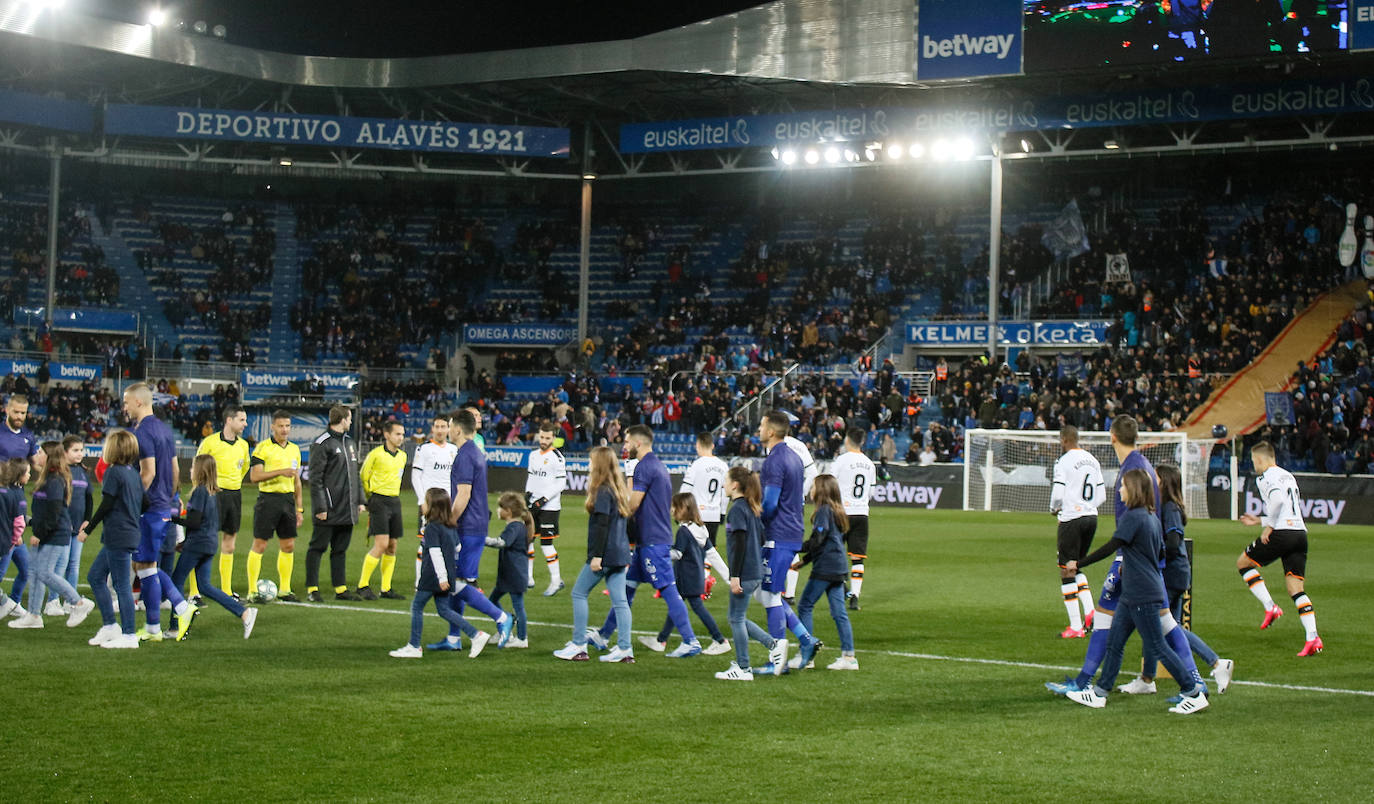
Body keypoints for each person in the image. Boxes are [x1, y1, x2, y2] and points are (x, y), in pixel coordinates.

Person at [1060, 469, 1210, 714]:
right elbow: (1161, 553)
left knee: (1158, 646)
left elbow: (1112, 547)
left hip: (1141, 593)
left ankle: (1193, 692)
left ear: (1134, 490)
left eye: (1123, 487)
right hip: (1136, 592)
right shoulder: (1151, 516)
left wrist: (1078, 564)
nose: (1119, 491)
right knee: (1115, 643)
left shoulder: (1133, 517)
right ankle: (1099, 693)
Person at [1116, 464, 1233, 696]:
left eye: (1156, 477)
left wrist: (1150, 558)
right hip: (1175, 572)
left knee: (1161, 626)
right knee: (1165, 626)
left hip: (1170, 573)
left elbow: (1171, 542)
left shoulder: (1169, 508)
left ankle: (1216, 662)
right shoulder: (1168, 506)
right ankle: (1148, 679)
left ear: (1164, 482)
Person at [589, 425, 701, 660]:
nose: (625, 446)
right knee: (626, 589)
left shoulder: (643, 467)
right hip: (648, 539)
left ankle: (690, 640)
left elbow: (632, 505)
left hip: (652, 540)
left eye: (627, 442)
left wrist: (613, 508)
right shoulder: (657, 465)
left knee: (668, 589)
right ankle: (604, 634)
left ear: (638, 443)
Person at [430, 409, 513, 650]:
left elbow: (464, 493)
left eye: (449, 424)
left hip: (468, 525)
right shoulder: (471, 452)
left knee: (458, 582)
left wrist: (450, 520)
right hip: (473, 523)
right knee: (458, 579)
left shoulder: (465, 455)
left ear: (457, 428)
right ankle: (454, 639)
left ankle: (502, 618)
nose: (447, 429)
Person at [123, 382, 199, 641]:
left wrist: (134, 501)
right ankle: (156, 625)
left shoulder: (142, 432)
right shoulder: (165, 431)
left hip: (150, 508)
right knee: (145, 564)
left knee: (145, 565)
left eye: (126, 402)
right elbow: (175, 470)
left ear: (139, 402)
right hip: (162, 505)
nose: (124, 407)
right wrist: (170, 498)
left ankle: (178, 608)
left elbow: (148, 472)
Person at [1237, 441, 1322, 656]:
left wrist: (1268, 525)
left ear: (1260, 460)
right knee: (1296, 588)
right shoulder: (1288, 475)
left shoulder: (1266, 477)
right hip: (1300, 534)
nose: (1254, 465)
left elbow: (1277, 501)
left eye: (1254, 461)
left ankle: (1270, 607)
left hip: (1283, 532)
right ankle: (1312, 637)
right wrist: (1263, 521)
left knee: (1243, 563)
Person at [754, 411, 822, 674]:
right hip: (791, 531)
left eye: (761, 424)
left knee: (770, 594)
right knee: (767, 592)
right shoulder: (793, 457)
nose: (759, 428)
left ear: (771, 431)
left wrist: (756, 519)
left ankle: (777, 660)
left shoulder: (774, 460)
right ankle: (806, 639)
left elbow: (770, 503)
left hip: (778, 534)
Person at [553, 446, 633, 662]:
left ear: (598, 465)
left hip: (605, 554)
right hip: (621, 553)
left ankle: (579, 645)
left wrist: (596, 556)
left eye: (591, 461)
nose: (589, 465)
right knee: (621, 602)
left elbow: (601, 526)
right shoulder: (619, 490)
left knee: (578, 593)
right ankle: (625, 649)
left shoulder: (603, 491)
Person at [169, 454, 258, 638]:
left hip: (199, 543)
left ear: (200, 470)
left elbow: (194, 523)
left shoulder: (199, 492)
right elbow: (207, 522)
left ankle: (175, 627)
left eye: (194, 467)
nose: (190, 470)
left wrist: (172, 519)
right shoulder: (212, 493)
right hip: (209, 543)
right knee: (205, 586)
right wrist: (185, 542)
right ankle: (244, 613)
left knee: (176, 581)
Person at [8, 442, 94, 629]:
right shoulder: (49, 477)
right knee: (35, 573)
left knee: (45, 573)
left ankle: (78, 602)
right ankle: (34, 615)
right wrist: (31, 523)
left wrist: (39, 533)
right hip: (50, 532)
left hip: (54, 534)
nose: (36, 454)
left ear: (48, 456)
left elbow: (54, 511)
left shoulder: (54, 479)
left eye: (39, 452)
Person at [640, 494, 731, 656]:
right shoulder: (700, 528)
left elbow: (678, 554)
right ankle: (661, 640)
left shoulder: (684, 531)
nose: (672, 510)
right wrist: (728, 577)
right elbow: (712, 555)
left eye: (674, 507)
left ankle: (720, 640)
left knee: (686, 607)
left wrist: (659, 553)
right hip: (696, 577)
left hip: (684, 577)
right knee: (678, 607)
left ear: (683, 509)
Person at [389, 489, 472, 659]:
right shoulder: (450, 525)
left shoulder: (432, 527)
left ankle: (414, 646)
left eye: (425, 502)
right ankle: (476, 634)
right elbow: (458, 548)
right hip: (447, 575)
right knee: (444, 610)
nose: (422, 505)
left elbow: (435, 553)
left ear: (432, 507)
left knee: (417, 606)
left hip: (433, 576)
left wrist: (441, 577)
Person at [714, 466, 779, 681]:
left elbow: (739, 543)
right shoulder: (752, 508)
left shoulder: (737, 509)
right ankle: (773, 644)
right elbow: (760, 539)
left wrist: (735, 575)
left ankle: (743, 668)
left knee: (736, 618)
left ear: (734, 484)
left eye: (726, 480)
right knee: (736, 617)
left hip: (745, 572)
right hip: (754, 570)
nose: (723, 484)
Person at [83, 430, 145, 649]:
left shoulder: (113, 472)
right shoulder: (133, 473)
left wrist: (87, 529)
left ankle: (129, 634)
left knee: (121, 586)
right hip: (126, 532)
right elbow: (144, 503)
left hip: (118, 534)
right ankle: (110, 626)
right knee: (95, 576)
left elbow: (106, 504)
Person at [790, 474, 857, 671]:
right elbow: (827, 541)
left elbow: (818, 541)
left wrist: (793, 547)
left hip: (826, 567)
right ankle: (849, 657)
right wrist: (804, 561)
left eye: (813, 487)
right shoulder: (838, 511)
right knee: (839, 613)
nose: (810, 490)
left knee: (804, 606)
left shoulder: (823, 512)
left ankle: (806, 654)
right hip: (839, 566)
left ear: (821, 491)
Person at [1049, 425, 1105, 638]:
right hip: (1092, 518)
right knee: (1076, 565)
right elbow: (1101, 496)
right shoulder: (1093, 460)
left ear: (1064, 440)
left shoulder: (1063, 462)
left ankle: (1075, 627)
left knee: (1066, 569)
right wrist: (1087, 506)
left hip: (1072, 518)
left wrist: (1055, 509)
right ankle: (1090, 612)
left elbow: (1058, 493)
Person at [306, 405, 365, 602]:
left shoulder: (349, 442)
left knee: (340, 549)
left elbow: (355, 474)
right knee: (317, 548)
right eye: (349, 418)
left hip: (347, 508)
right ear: (342, 419)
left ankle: (340, 589)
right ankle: (312, 589)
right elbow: (315, 479)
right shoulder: (322, 443)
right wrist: (321, 507)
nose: (350, 422)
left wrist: (360, 500)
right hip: (329, 509)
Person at [247, 411, 304, 603]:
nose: (285, 429)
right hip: (268, 500)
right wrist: (281, 471)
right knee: (260, 544)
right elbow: (254, 477)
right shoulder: (262, 448)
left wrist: (299, 509)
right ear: (273, 427)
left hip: (287, 501)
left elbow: (297, 481)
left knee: (288, 545)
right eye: (281, 426)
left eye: (288, 426)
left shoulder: (295, 449)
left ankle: (285, 590)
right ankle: (252, 590)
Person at [196, 404, 249, 597]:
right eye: (242, 420)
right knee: (203, 541)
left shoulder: (243, 445)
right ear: (229, 420)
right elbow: (198, 467)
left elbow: (244, 469)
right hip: (213, 494)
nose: (245, 424)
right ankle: (195, 591)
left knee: (230, 541)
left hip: (234, 495)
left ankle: (226, 589)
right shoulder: (210, 442)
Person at [0, 394, 43, 614]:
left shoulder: (28, 436)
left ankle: (12, 604)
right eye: (16, 412)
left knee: (24, 567)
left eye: (23, 413)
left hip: (17, 500)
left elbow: (38, 464)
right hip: (2, 501)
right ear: (7, 409)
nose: (19, 416)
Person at [42, 436, 92, 618]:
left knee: (74, 565)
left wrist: (87, 520)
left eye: (81, 450)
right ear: (65, 452)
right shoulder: (61, 473)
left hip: (78, 528)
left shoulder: (84, 472)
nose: (80, 454)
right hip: (63, 527)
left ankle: (71, 602)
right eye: (75, 450)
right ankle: (52, 601)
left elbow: (89, 499)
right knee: (60, 565)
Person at [358, 420, 407, 600]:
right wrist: (369, 498)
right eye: (397, 434)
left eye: (402, 434)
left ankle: (386, 589)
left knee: (392, 546)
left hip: (395, 501)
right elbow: (363, 476)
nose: (401, 437)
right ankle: (362, 585)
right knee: (381, 544)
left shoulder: (403, 456)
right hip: (378, 500)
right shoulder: (375, 454)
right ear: (387, 435)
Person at [679, 432, 730, 593]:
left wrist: (680, 510)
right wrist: (722, 512)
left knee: (692, 550)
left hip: (697, 514)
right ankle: (705, 581)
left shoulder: (696, 465)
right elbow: (725, 493)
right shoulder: (723, 466)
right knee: (710, 549)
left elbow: (685, 490)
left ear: (698, 445)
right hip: (714, 513)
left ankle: (699, 583)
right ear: (713, 445)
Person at [831, 428, 875, 611]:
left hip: (842, 512)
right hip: (862, 513)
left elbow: (830, 485)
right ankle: (855, 596)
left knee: (835, 553)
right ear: (862, 442)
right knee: (857, 557)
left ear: (847, 440)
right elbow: (871, 492)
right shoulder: (870, 464)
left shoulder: (841, 461)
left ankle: (843, 589)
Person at [411, 414, 457, 588]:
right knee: (425, 543)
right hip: (429, 504)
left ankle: (445, 579)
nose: (440, 430)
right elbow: (415, 476)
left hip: (448, 506)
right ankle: (419, 581)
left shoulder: (454, 449)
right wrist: (422, 501)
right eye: (437, 427)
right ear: (432, 429)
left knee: (449, 541)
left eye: (443, 426)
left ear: (448, 429)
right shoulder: (424, 449)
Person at [524, 421, 566, 597]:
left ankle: (556, 580)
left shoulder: (557, 458)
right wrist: (527, 494)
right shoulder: (533, 455)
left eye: (547, 438)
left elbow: (561, 483)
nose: (544, 440)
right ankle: (528, 578)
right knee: (528, 540)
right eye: (542, 437)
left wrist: (544, 499)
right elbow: (531, 477)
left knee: (546, 544)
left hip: (549, 507)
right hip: (533, 505)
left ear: (553, 438)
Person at [486, 492, 533, 649]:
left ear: (509, 511)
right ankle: (503, 628)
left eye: (501, 507)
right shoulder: (516, 526)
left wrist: (481, 540)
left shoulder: (515, 527)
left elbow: (502, 543)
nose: (498, 510)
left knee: (518, 606)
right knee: (491, 601)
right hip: (508, 573)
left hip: (515, 573)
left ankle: (522, 638)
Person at [780, 426, 818, 601]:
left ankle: (776, 586)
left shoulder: (775, 446)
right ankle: (790, 592)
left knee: (772, 542)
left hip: (780, 501)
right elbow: (813, 473)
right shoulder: (800, 445)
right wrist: (800, 493)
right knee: (791, 542)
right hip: (796, 504)